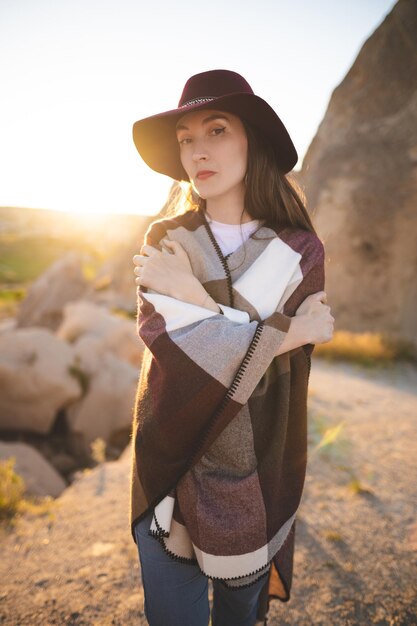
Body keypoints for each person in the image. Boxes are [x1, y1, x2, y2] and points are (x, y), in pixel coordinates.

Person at [129, 69, 334, 626]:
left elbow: (272, 377)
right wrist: (289, 334)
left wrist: (193, 297)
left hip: (255, 471)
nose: (198, 150)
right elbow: (176, 350)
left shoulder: (299, 251)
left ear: (253, 141)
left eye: (216, 130)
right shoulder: (166, 239)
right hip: (170, 462)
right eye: (186, 138)